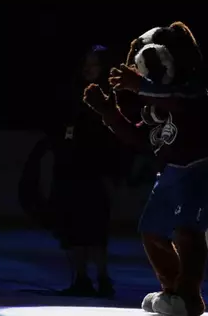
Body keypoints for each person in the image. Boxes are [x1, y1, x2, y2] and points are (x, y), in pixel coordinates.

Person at [84, 22, 208, 316]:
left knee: (187, 233)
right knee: (151, 231)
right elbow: (140, 139)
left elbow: (178, 100)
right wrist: (108, 113)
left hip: (200, 168)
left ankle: (189, 296)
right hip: (171, 172)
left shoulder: (193, 90)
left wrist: (138, 86)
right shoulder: (152, 107)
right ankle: (172, 289)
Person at [50, 45, 121, 298]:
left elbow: (114, 141)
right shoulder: (74, 94)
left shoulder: (109, 97)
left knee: (96, 228)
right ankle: (80, 277)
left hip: (96, 172)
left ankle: (102, 277)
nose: (88, 68)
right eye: (86, 63)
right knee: (72, 227)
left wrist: (111, 174)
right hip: (70, 170)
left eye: (94, 64)